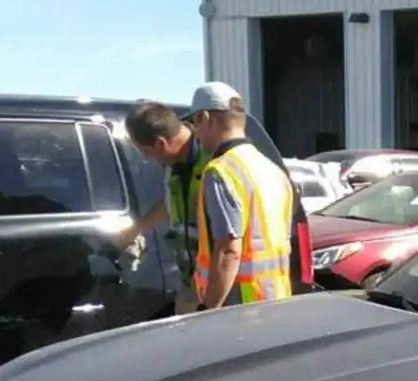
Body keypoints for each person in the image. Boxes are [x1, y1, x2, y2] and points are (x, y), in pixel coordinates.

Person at [186, 82, 296, 310]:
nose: (195, 133)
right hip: (277, 299)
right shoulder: (273, 170)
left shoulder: (221, 170)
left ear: (205, 118)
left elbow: (228, 250)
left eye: (195, 122)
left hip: (239, 307)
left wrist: (209, 308)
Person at [121, 100, 209, 313]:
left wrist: (212, 305)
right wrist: (133, 231)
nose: (145, 157)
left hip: (221, 283)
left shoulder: (214, 159)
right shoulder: (174, 163)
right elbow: (170, 201)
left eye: (144, 150)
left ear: (161, 143)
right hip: (192, 278)